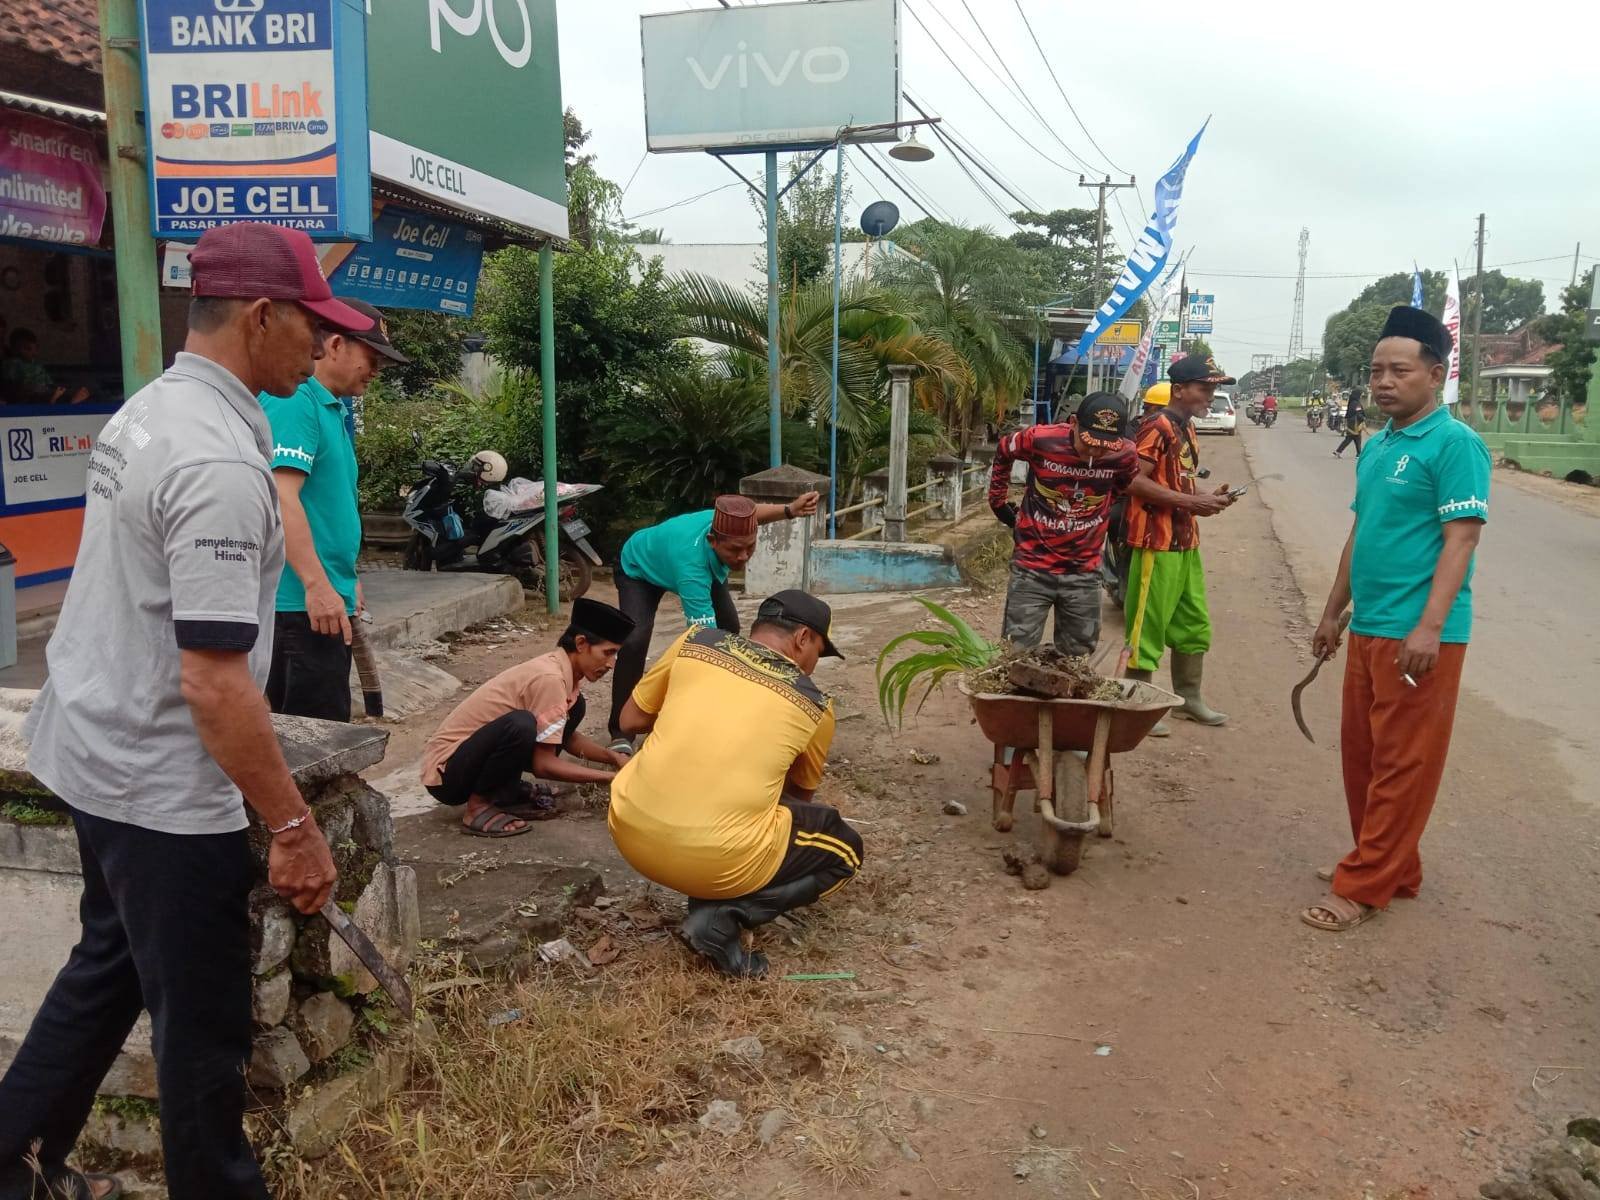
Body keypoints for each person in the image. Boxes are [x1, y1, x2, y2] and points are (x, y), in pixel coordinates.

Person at [0, 222, 370, 1200]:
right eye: (311, 325)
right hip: (157, 785)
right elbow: (213, 682)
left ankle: (12, 1161)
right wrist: (294, 826)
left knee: (106, 968)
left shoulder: (156, 410)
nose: (321, 345)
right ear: (261, 315)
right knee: (204, 1034)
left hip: (92, 745)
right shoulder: (212, 463)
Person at [1302, 307, 1490, 933]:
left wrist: (1430, 627)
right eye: (1377, 370)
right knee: (1363, 755)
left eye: (1399, 370)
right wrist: (1332, 613)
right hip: (1368, 627)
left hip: (1420, 635)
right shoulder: (1377, 444)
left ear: (1434, 374)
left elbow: (1461, 541)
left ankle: (1364, 885)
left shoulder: (1455, 444)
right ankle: (1392, 867)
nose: (1384, 381)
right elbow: (1363, 532)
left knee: (1403, 761)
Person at [609, 590, 856, 979]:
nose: (812, 667)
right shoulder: (815, 704)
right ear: (803, 638)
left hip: (627, 827)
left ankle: (711, 887)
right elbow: (794, 799)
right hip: (716, 861)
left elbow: (629, 721)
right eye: (818, 653)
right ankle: (724, 914)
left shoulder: (694, 642)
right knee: (846, 852)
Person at [261, 299, 409, 721]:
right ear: (338, 344)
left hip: (322, 599)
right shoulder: (296, 403)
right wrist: (316, 585)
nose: (377, 370)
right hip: (299, 607)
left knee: (329, 727)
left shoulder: (330, 406)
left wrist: (344, 579)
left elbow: (323, 504)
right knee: (315, 740)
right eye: (372, 357)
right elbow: (280, 497)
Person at [606, 491, 820, 752]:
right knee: (636, 639)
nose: (743, 557)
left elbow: (755, 514)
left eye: (750, 547)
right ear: (713, 540)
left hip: (690, 560)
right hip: (638, 567)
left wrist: (790, 508)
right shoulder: (691, 570)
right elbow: (702, 641)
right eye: (735, 550)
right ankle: (620, 730)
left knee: (729, 628)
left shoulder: (725, 524)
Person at [421, 597, 636, 838]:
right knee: (521, 725)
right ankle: (477, 807)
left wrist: (613, 757)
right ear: (581, 643)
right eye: (608, 653)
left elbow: (562, 736)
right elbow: (543, 764)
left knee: (574, 708)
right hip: (448, 774)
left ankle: (505, 792)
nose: (611, 664)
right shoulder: (550, 678)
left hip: (472, 758)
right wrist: (612, 778)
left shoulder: (564, 673)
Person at [1120, 356, 1241, 735]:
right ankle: (1137, 702)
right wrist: (1193, 503)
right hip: (1156, 542)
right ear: (1179, 390)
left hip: (1185, 542)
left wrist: (1206, 498)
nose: (1211, 396)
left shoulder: (1185, 428)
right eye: (1204, 389)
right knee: (1148, 625)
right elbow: (1132, 482)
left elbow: (1174, 481)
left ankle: (1187, 699)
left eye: (1213, 388)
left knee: (1194, 622)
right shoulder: (1156, 427)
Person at [989, 392, 1139, 655]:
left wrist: (1093, 515)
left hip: (1085, 571)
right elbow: (1004, 449)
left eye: (1104, 446)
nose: (1094, 452)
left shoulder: (1125, 455)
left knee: (1077, 659)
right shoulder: (1040, 439)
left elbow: (1122, 487)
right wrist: (999, 503)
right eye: (1088, 442)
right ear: (1073, 422)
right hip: (1032, 567)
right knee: (1015, 654)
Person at [0, 328, 88, 405]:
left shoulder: (37, 365)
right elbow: (15, 387)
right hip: (30, 397)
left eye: (36, 348)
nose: (33, 353)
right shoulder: (12, 364)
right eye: (27, 349)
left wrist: (55, 390)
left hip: (47, 392)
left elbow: (48, 383)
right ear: (15, 349)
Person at [1334, 387, 1367, 457]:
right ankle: (1358, 454)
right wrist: (1363, 418)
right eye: (1361, 394)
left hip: (1351, 423)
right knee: (1355, 438)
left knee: (1353, 438)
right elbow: (1358, 413)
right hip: (1355, 424)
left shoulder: (1352, 402)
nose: (1361, 396)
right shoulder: (1356, 403)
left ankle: (1339, 451)